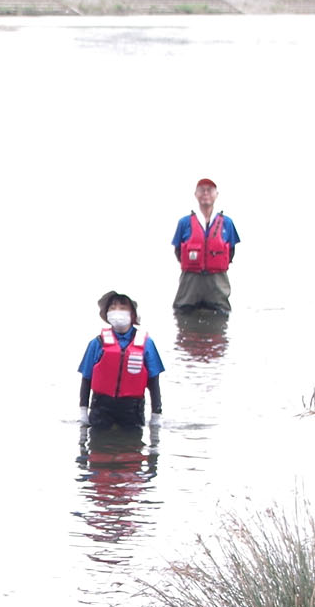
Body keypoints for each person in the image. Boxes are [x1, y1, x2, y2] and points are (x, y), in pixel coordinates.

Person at [78, 290, 165, 429]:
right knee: (98, 448)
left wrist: (156, 414)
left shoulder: (147, 344)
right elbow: (86, 378)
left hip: (132, 409)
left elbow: (154, 382)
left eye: (123, 308)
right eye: (112, 308)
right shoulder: (96, 343)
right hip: (101, 408)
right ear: (106, 314)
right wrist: (83, 410)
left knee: (133, 448)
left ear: (132, 314)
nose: (117, 312)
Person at [170, 178, 241, 314]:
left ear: (216, 194)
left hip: (217, 282)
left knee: (220, 318)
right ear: (195, 194)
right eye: (202, 190)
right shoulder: (184, 222)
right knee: (184, 318)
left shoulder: (227, 222)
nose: (206, 193)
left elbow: (231, 251)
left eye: (210, 190)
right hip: (190, 283)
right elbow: (178, 251)